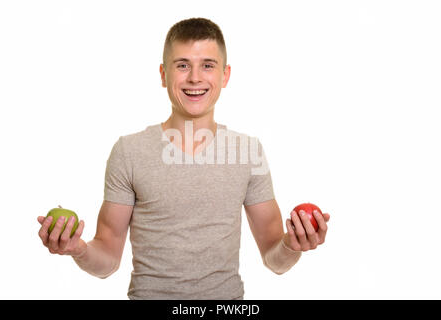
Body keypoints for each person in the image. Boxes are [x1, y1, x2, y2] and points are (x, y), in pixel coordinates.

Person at [37, 17, 330, 300]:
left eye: (207, 65)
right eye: (182, 65)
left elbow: (274, 259)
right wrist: (78, 249)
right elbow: (108, 259)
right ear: (164, 75)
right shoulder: (129, 151)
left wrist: (293, 245)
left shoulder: (248, 150)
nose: (195, 78)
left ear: (224, 75)